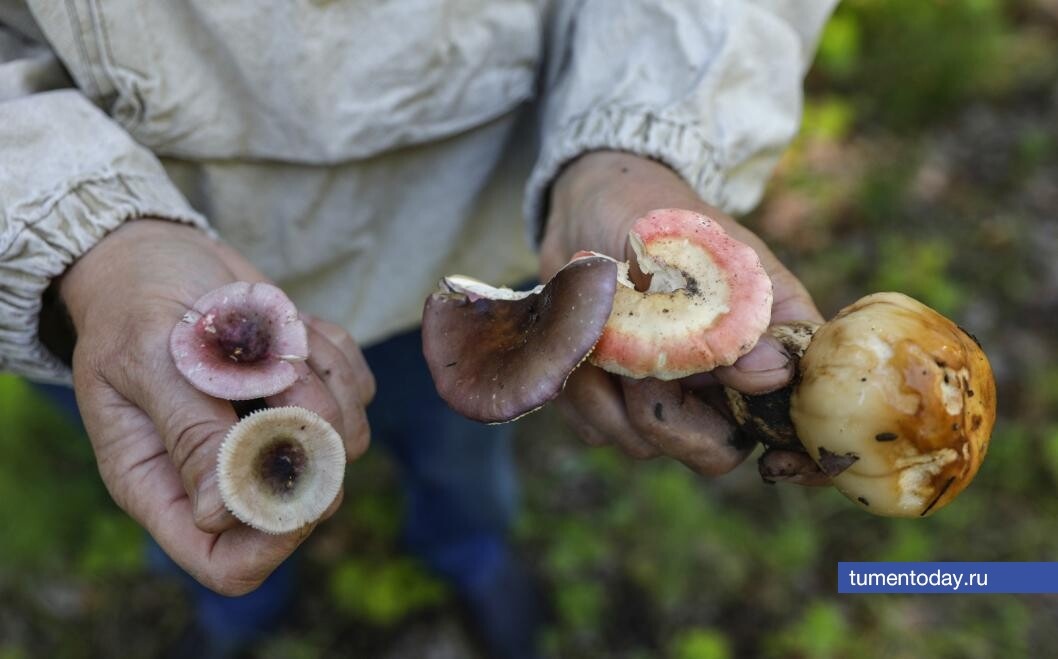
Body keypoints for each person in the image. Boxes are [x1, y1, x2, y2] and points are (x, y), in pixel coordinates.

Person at [0, 1, 837, 656]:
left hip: (461, 254)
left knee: (457, 450)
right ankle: (235, 611)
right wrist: (77, 230)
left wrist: (632, 144)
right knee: (191, 484)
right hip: (119, 296)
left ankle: (469, 555)